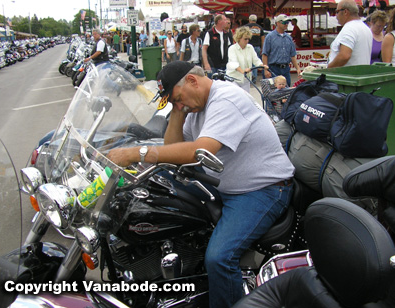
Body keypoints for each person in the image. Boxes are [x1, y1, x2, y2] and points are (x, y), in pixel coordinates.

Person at [107, 61, 295, 308]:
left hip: (262, 189)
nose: (180, 104)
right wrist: (177, 109)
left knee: (219, 258)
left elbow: (200, 150)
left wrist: (137, 153)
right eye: (174, 102)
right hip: (224, 185)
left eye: (178, 98)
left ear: (193, 81)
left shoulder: (226, 99)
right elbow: (173, 146)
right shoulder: (194, 107)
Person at [327, 0, 372, 67]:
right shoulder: (365, 28)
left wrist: (328, 69)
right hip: (360, 74)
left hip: (347, 75)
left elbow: (344, 56)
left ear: (345, 12)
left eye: (337, 12)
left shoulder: (349, 29)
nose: (336, 15)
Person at [262, 14, 301, 87]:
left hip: (285, 68)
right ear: (277, 23)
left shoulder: (288, 38)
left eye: (287, 23)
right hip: (273, 68)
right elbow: (265, 54)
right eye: (284, 22)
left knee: (286, 90)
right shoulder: (270, 37)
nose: (286, 24)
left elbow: (292, 55)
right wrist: (265, 69)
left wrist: (298, 68)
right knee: (273, 91)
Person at [226, 26, 267, 93]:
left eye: (248, 39)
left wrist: (262, 65)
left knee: (245, 99)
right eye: (245, 39)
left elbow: (256, 59)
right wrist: (243, 71)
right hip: (234, 79)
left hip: (246, 80)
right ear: (239, 38)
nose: (247, 41)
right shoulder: (232, 48)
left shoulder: (250, 47)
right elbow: (234, 63)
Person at [245, 14, 265, 83]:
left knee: (248, 62)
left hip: (248, 46)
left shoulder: (246, 27)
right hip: (257, 47)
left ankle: (250, 76)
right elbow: (263, 39)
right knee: (255, 63)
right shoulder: (260, 28)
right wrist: (262, 48)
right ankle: (254, 78)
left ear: (249, 20)